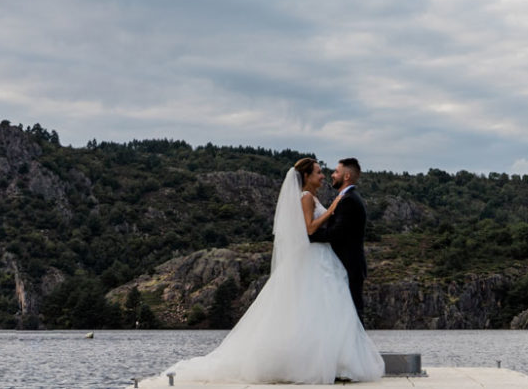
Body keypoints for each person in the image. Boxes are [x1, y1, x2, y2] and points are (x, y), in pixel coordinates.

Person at [163, 158, 385, 384]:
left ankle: (331, 361)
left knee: (323, 310)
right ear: (306, 177)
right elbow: (309, 230)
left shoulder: (322, 197)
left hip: (325, 259)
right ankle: (324, 363)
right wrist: (330, 212)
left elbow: (319, 231)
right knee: (323, 308)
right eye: (319, 172)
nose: (324, 176)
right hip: (317, 258)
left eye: (328, 172)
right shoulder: (308, 197)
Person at [309, 157, 368, 323]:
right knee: (346, 314)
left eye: (336, 172)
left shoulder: (348, 200)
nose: (332, 175)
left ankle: (357, 349)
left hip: (348, 266)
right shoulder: (346, 199)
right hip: (344, 265)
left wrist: (307, 237)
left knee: (353, 315)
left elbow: (336, 233)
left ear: (346, 176)